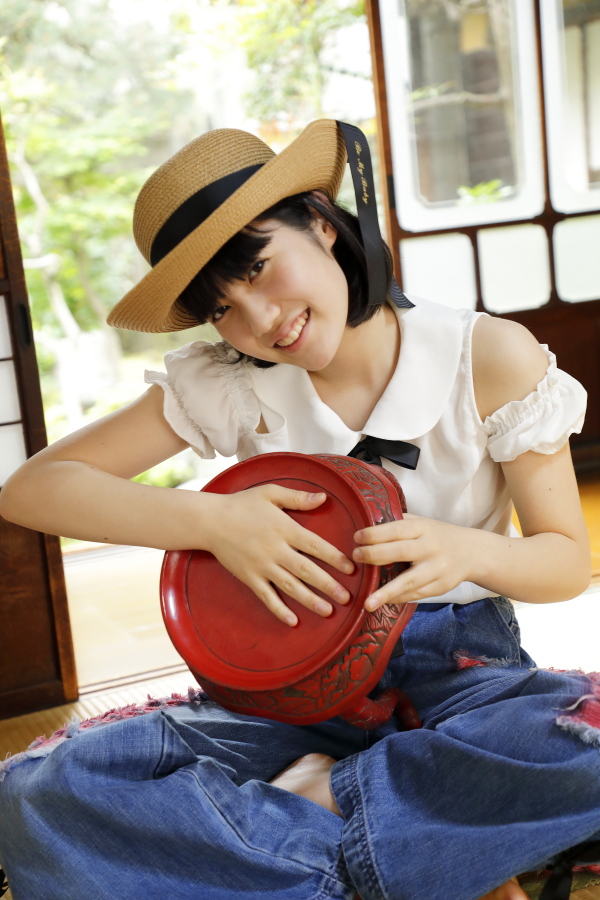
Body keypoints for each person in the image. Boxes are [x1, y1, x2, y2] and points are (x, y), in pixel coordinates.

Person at [0, 119, 598, 900]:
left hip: (464, 680)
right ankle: (410, 841)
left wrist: (467, 551)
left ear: (320, 223)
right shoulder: (232, 382)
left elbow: (567, 561)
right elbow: (33, 488)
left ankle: (315, 813)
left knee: (581, 745)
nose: (258, 320)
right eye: (222, 308)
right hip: (289, 691)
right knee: (40, 790)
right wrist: (216, 522)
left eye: (257, 267)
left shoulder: (485, 358)